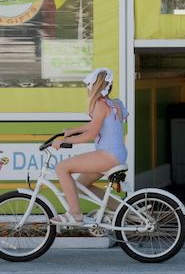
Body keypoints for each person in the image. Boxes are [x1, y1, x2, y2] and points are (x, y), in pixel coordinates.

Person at [50, 68, 129, 227]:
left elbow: (91, 134)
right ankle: (125, 211)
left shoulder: (100, 104)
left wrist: (64, 142)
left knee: (61, 167)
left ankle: (75, 214)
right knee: (81, 185)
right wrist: (71, 131)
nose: (87, 89)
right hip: (117, 154)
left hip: (108, 155)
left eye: (88, 85)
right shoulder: (115, 103)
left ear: (94, 86)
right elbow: (96, 125)